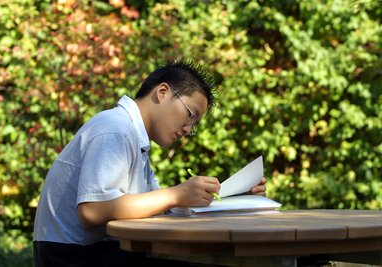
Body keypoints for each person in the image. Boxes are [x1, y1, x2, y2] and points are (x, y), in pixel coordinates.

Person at [33, 60, 267, 267]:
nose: (188, 129)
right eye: (190, 114)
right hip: (75, 256)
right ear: (163, 92)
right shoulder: (115, 128)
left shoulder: (135, 138)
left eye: (194, 125)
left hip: (93, 252)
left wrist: (234, 199)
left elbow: (159, 208)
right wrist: (176, 194)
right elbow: (93, 211)